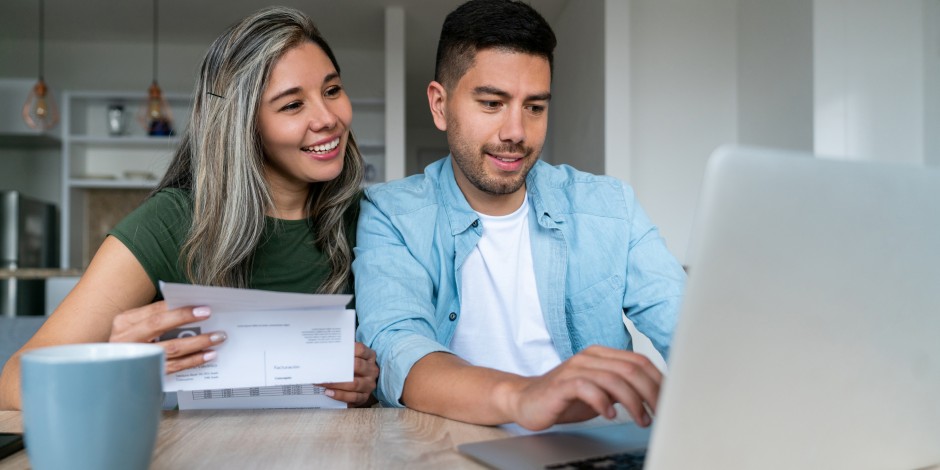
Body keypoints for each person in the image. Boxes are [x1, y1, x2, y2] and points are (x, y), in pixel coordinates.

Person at [0, 6, 378, 410]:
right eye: (291, 105)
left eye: (332, 90)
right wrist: (112, 365)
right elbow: (11, 386)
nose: (328, 118)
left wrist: (374, 381)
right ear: (241, 125)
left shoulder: (373, 219)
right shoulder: (169, 224)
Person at [353, 0, 686, 431]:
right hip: (454, 449)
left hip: (594, 446)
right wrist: (524, 394)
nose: (516, 132)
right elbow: (400, 349)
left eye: (535, 107)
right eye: (492, 103)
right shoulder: (391, 214)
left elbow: (691, 331)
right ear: (440, 105)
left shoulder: (609, 207)